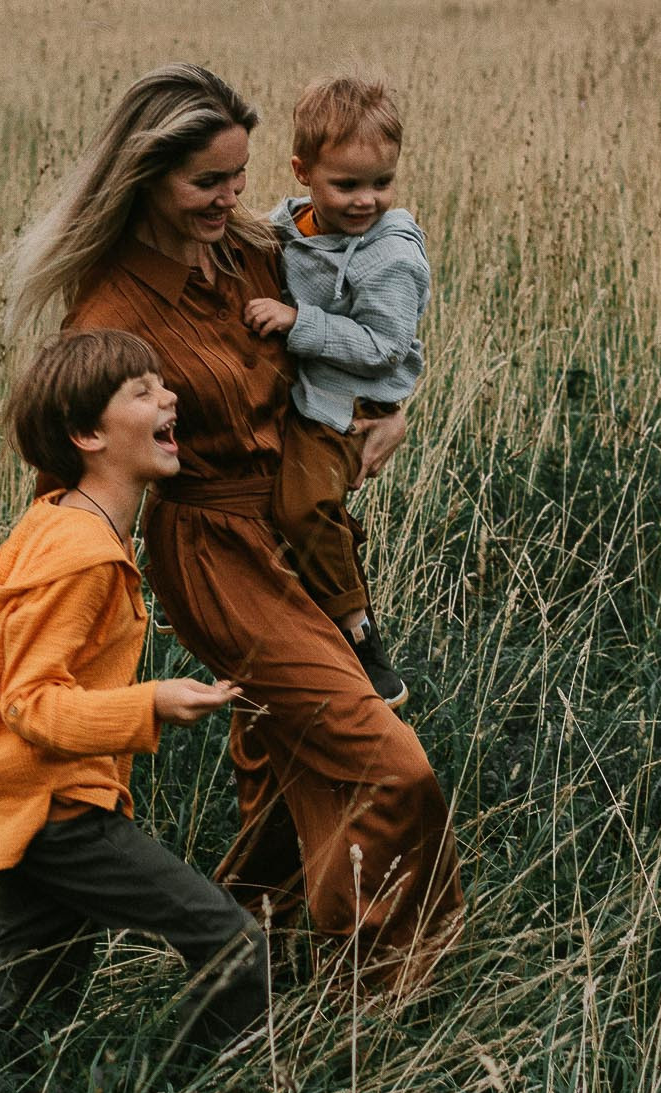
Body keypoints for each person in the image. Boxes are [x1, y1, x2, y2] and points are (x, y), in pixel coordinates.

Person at [0, 63, 462, 996]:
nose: (232, 199)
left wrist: (391, 407)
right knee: (387, 761)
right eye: (207, 182)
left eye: (240, 176)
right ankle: (385, 993)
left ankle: (248, 981)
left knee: (288, 776)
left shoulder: (256, 251)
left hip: (300, 528)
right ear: (146, 177)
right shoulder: (113, 310)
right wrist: (56, 613)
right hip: (216, 554)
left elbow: (362, 325)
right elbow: (68, 457)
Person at [0, 328, 265, 1051]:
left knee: (28, 1004)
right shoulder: (84, 555)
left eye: (162, 383)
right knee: (234, 946)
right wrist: (150, 702)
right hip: (56, 813)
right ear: (89, 433)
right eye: (142, 391)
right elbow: (30, 703)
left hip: (33, 802)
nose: (169, 395)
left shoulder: (60, 522)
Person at [241, 74, 428, 709]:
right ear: (302, 173)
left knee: (300, 507)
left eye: (382, 183)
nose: (366, 201)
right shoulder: (291, 224)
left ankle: (358, 629)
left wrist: (300, 323)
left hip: (349, 407)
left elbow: (385, 348)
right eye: (346, 185)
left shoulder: (390, 258)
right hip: (308, 392)